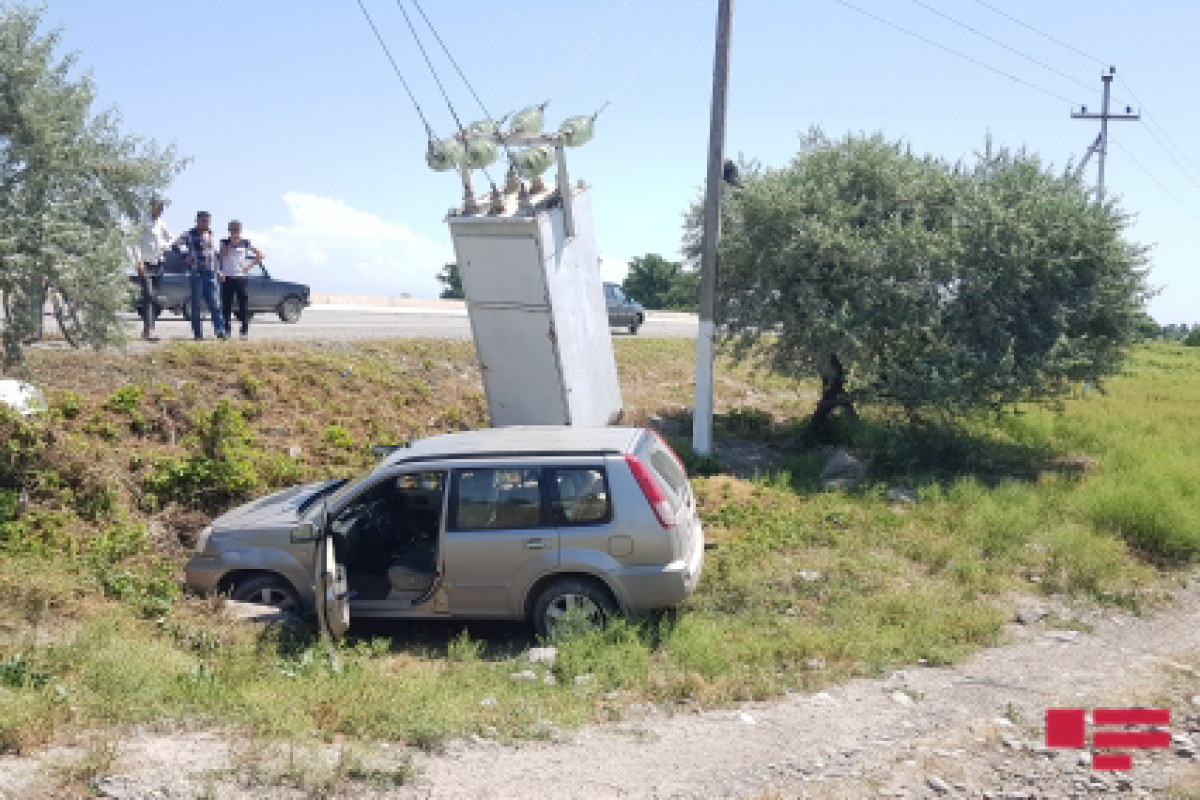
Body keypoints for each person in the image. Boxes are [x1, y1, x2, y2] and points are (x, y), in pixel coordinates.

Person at [174, 211, 226, 340]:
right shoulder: (189, 234)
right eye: (203, 221)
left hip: (211, 273)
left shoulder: (211, 235)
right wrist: (186, 257)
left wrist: (219, 270)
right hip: (197, 273)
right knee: (196, 305)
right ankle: (198, 334)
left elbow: (214, 255)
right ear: (196, 221)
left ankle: (220, 332)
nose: (205, 223)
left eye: (207, 221)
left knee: (215, 304)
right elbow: (175, 245)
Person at [217, 220, 263, 340]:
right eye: (232, 229)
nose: (234, 232)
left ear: (240, 230)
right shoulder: (224, 242)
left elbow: (260, 254)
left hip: (240, 277)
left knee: (243, 306)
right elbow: (223, 254)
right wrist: (231, 243)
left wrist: (249, 266)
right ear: (229, 230)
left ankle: (244, 330)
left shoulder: (245, 243)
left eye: (236, 229)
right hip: (227, 277)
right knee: (226, 306)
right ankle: (226, 330)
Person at [134, 198, 173, 340]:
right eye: (159, 208)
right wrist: (139, 262)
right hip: (145, 264)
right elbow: (136, 243)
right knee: (148, 296)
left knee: (154, 299)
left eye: (162, 208)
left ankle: (147, 328)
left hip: (159, 264)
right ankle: (150, 330)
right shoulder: (142, 222)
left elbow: (171, 238)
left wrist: (165, 245)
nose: (161, 211)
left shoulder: (161, 224)